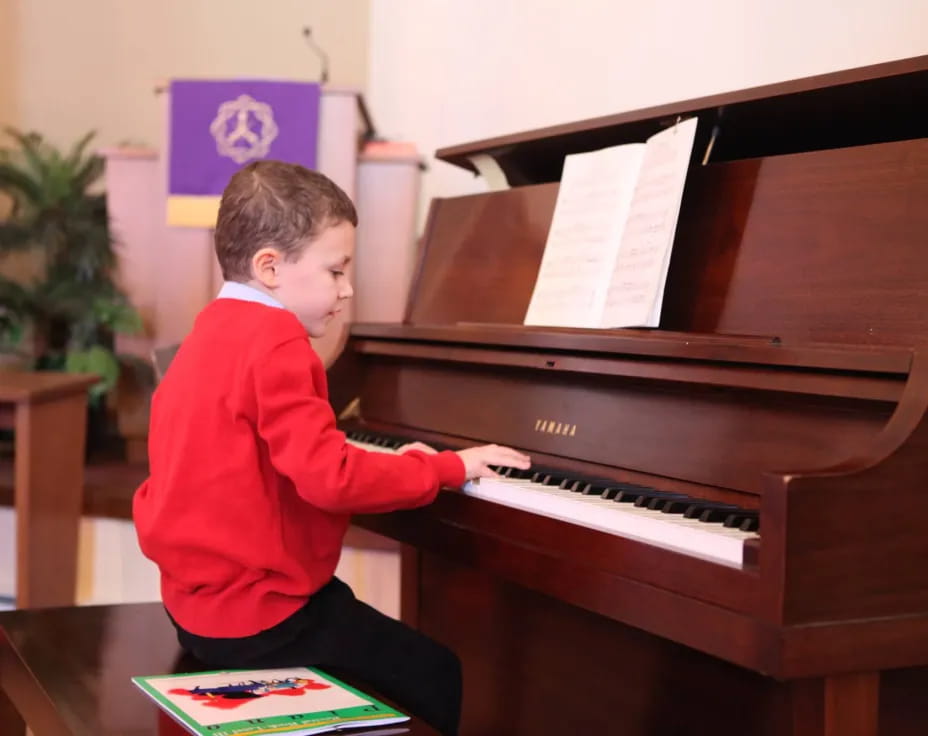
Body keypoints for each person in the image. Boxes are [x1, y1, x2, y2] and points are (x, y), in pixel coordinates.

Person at [133, 160, 530, 736]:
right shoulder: (279, 344)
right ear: (270, 267)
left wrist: (390, 461)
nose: (347, 290)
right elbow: (331, 479)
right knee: (436, 671)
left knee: (355, 622)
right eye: (336, 271)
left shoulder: (209, 331)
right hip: (261, 618)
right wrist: (443, 466)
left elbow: (273, 457)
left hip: (197, 606)